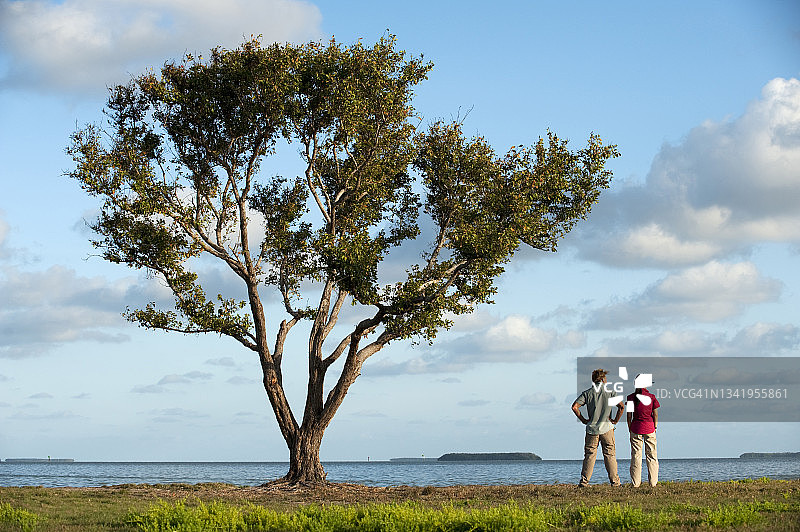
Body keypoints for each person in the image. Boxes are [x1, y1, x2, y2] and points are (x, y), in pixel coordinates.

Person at [572, 368, 623, 487]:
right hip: (607, 428)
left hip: (592, 429)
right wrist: (615, 420)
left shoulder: (587, 393)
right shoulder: (611, 392)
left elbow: (575, 407)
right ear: (604, 379)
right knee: (610, 455)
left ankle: (584, 482)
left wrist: (584, 420)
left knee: (589, 456)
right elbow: (621, 407)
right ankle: (615, 482)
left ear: (593, 380)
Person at [626, 376, 660, 487]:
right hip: (649, 428)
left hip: (636, 427)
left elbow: (629, 415)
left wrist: (630, 427)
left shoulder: (631, 397)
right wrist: (655, 426)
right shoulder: (651, 397)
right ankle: (653, 483)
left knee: (636, 456)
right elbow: (655, 414)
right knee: (652, 456)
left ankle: (636, 483)